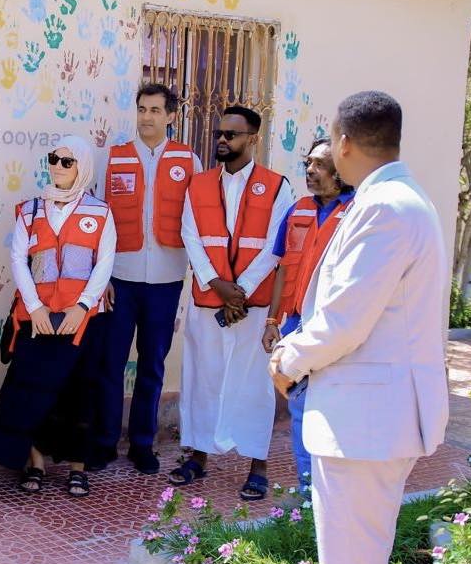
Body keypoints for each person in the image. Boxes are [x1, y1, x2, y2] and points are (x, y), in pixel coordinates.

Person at [270, 92, 449, 564]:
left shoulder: (385, 208)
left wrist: (288, 359)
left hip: (366, 423)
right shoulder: (396, 198)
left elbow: (345, 319)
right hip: (373, 419)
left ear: (344, 142)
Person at [0, 136, 115, 497]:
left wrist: (82, 306)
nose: (57, 166)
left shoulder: (100, 213)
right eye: (54, 159)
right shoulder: (31, 209)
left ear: (81, 167)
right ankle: (34, 463)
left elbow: (105, 263)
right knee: (31, 392)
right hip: (37, 318)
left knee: (80, 392)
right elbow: (19, 259)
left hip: (81, 320)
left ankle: (77, 468)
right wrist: (35, 308)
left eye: (67, 162)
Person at [174, 105, 294, 500]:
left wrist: (238, 290)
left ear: (253, 139)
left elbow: (276, 247)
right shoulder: (198, 184)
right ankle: (198, 457)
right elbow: (190, 236)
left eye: (232, 135)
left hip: (253, 304)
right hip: (208, 300)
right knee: (201, 378)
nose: (222, 140)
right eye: (219, 133)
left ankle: (257, 464)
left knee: (253, 386)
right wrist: (217, 286)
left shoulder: (278, 187)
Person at [89, 83, 202, 473]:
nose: (146, 117)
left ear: (171, 116)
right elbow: (102, 223)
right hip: (121, 277)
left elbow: (196, 218)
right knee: (111, 363)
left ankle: (142, 444)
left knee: (152, 366)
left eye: (155, 110)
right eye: (142, 109)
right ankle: (104, 442)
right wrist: (101, 278)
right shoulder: (117, 157)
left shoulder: (188, 160)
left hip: (167, 280)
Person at [261, 137, 355, 492]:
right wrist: (273, 321)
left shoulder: (358, 212)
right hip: (296, 324)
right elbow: (283, 268)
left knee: (335, 409)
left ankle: (335, 491)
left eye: (319, 165)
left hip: (337, 326)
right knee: (299, 406)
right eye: (308, 163)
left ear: (340, 172)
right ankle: (307, 493)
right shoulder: (298, 210)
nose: (310, 171)